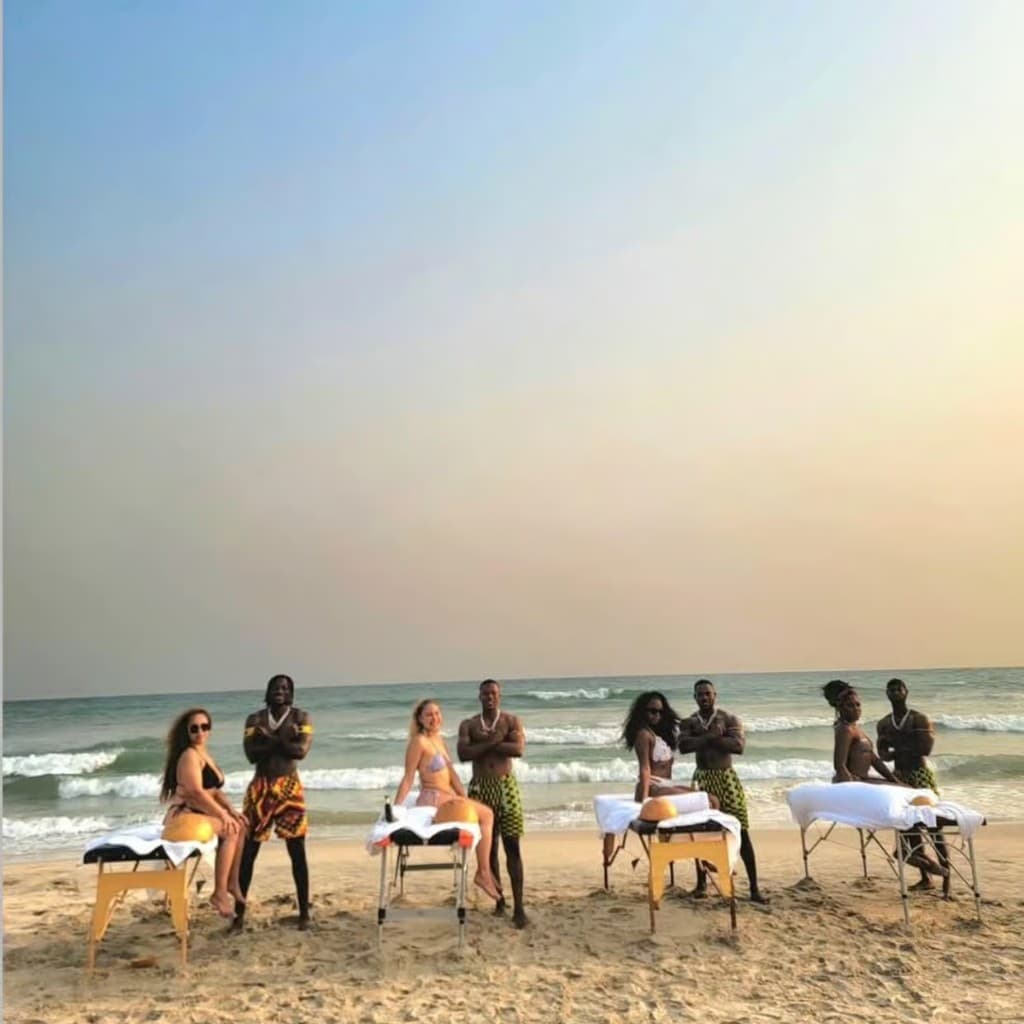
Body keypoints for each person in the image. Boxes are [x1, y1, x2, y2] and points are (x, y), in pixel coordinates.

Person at [395, 699, 503, 902]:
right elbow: (408, 777)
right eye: (428, 714)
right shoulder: (418, 742)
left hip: (448, 798)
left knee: (484, 813)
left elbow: (452, 774)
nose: (434, 718)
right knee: (487, 815)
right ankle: (483, 873)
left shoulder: (439, 740)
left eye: (437, 713)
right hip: (433, 800)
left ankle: (484, 871)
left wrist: (463, 798)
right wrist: (397, 807)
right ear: (420, 719)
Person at [232, 674, 314, 931]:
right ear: (267, 692)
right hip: (260, 789)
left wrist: (269, 738)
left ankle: (304, 914)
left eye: (285, 688)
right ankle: (239, 915)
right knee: (248, 853)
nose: (280, 690)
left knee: (297, 852)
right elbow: (250, 755)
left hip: (289, 788)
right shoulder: (254, 719)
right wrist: (284, 739)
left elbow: (300, 752)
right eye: (275, 687)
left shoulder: (302, 718)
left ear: (291, 694)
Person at [677, 679, 768, 903]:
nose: (704, 698)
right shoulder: (688, 721)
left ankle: (754, 889)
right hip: (702, 779)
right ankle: (701, 885)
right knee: (699, 832)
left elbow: (738, 747)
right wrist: (714, 737)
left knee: (742, 830)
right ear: (694, 697)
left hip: (726, 778)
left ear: (715, 695)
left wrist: (704, 739)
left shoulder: (729, 719)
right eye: (700, 694)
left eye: (708, 693)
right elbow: (683, 746)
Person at [160, 707, 247, 918]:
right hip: (183, 817)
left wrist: (231, 811)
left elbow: (214, 791)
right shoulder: (189, 755)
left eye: (205, 727)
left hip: (196, 816)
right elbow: (196, 793)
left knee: (241, 825)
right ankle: (218, 893)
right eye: (194, 728)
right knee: (230, 830)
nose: (200, 732)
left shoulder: (204, 754)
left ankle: (232, 883)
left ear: (209, 730)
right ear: (187, 732)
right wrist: (223, 816)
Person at [457, 679, 528, 927]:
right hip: (479, 788)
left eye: (494, 693)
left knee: (512, 845)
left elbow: (517, 749)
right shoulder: (469, 724)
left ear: (500, 696)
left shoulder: (511, 721)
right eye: (485, 693)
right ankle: (499, 901)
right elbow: (463, 754)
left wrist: (483, 746)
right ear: (479, 696)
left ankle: (519, 907)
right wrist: (496, 742)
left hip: (505, 786)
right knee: (489, 848)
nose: (489, 697)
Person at [877, 677, 947, 888]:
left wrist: (895, 746)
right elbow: (883, 755)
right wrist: (897, 746)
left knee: (934, 826)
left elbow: (925, 749)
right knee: (909, 827)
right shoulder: (884, 723)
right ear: (886, 694)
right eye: (891, 690)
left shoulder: (919, 718)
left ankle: (947, 881)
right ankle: (926, 878)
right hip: (900, 775)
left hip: (920, 774)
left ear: (906, 692)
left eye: (899, 689)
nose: (895, 693)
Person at [823, 680, 902, 784]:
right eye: (850, 705)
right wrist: (850, 788)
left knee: (905, 787)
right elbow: (839, 766)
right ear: (839, 707)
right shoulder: (845, 729)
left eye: (858, 704)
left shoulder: (855, 728)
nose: (856, 709)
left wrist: (894, 780)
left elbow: (874, 760)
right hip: (852, 781)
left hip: (862, 780)